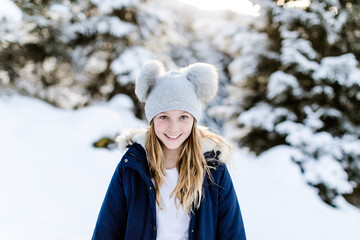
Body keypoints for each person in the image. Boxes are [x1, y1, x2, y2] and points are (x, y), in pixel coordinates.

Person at [92, 60, 246, 240]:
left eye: (183, 117)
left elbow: (232, 232)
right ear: (152, 120)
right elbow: (108, 227)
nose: (174, 128)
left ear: (194, 120)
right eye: (164, 117)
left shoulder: (213, 168)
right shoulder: (133, 165)